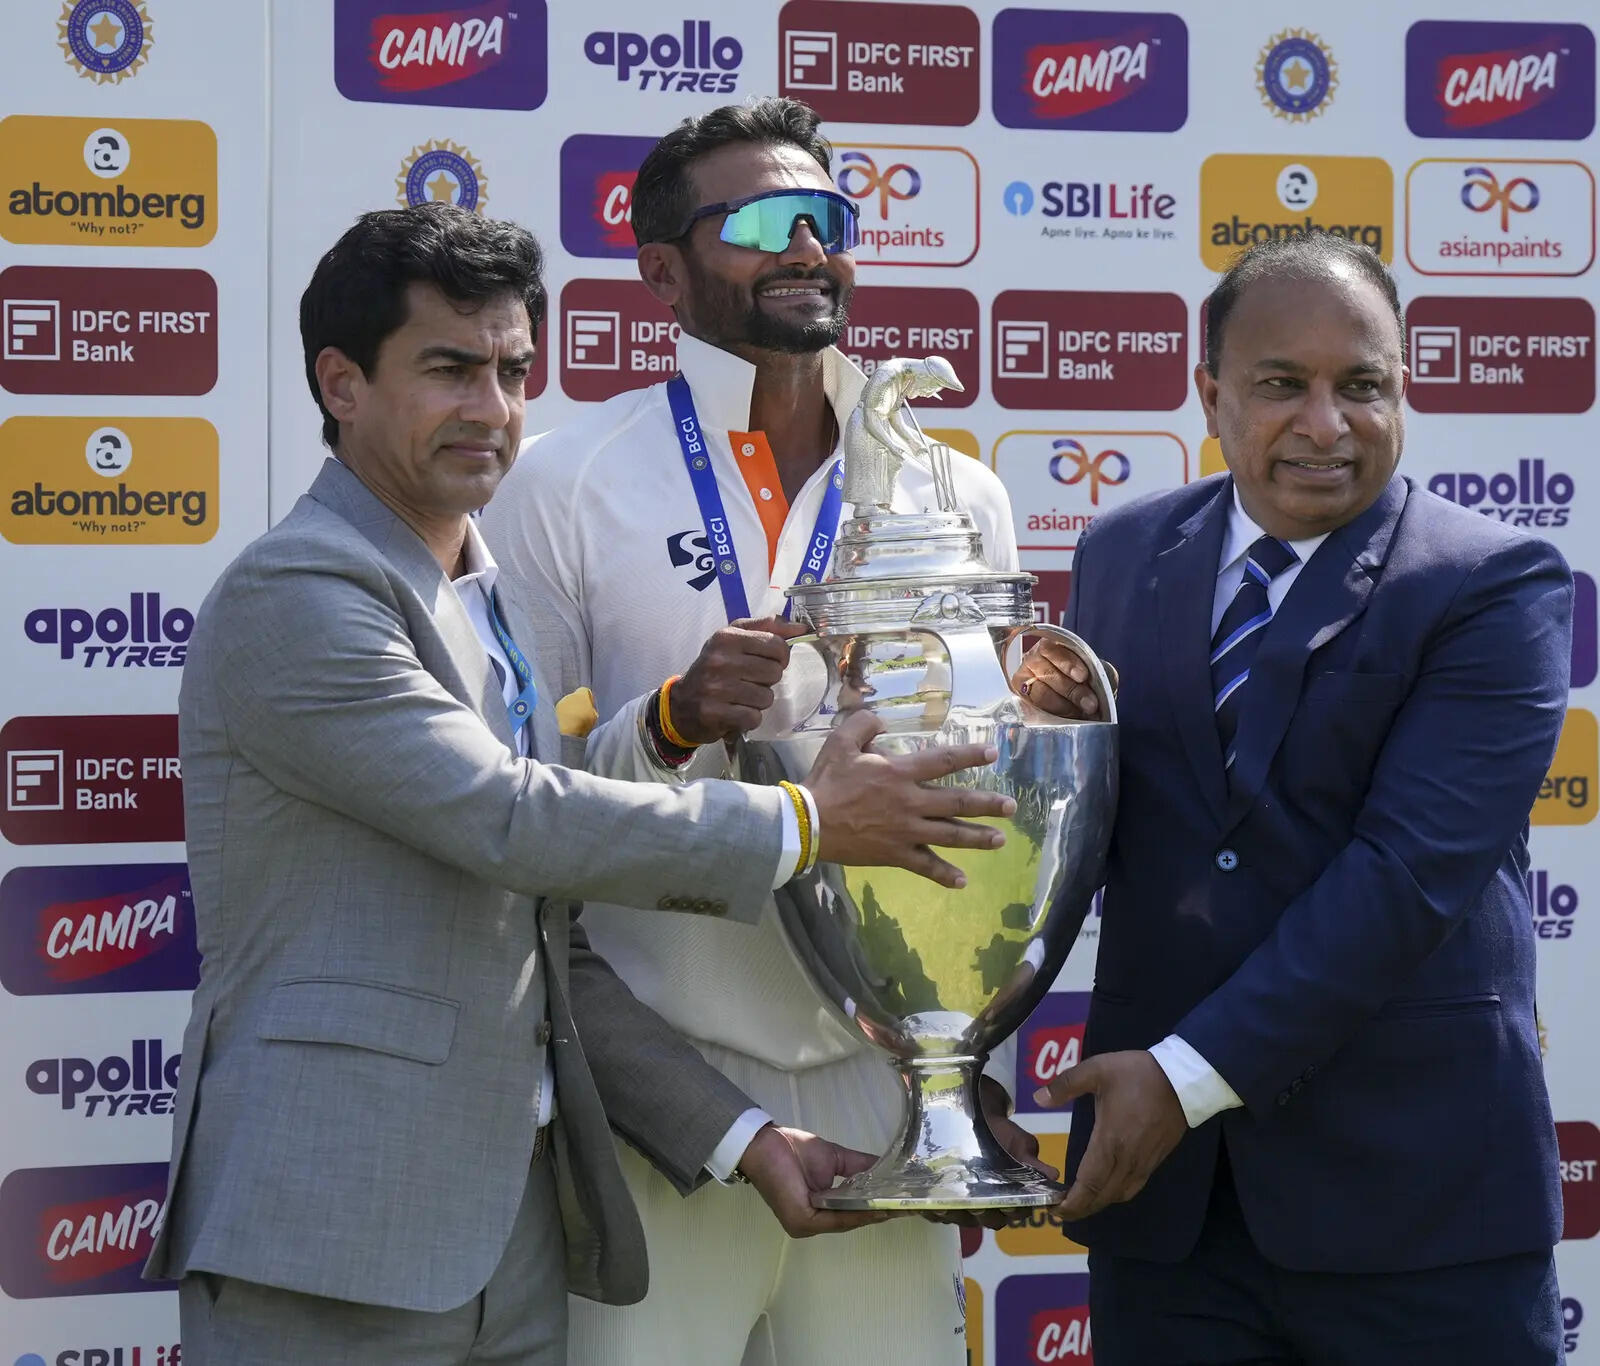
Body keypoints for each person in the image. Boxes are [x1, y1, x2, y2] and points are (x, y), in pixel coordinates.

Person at [143, 202, 1022, 1366]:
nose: (493, 409)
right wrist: (810, 819)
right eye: (448, 369)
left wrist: (746, 1137)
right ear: (341, 384)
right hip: (337, 1214)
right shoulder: (301, 589)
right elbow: (509, 821)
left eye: (512, 370)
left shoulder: (481, 589)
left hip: (515, 1224)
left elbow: (544, 912)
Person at [482, 97, 1092, 1366]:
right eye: (763, 222)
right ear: (661, 269)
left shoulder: (952, 485)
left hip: (884, 1092)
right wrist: (671, 720)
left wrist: (955, 1048)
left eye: (828, 217)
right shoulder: (562, 477)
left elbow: (989, 800)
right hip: (664, 1089)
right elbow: (523, 807)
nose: (809, 247)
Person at [1021, 233, 1573, 1365]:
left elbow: (1405, 875)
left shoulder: (1492, 581)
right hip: (1167, 1217)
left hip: (1417, 1211)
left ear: (1401, 389)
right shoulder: (1123, 553)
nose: (1326, 424)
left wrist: (1179, 1080)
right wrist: (959, 1051)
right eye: (1282, 385)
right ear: (1208, 392)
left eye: (1361, 385)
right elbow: (1067, 832)